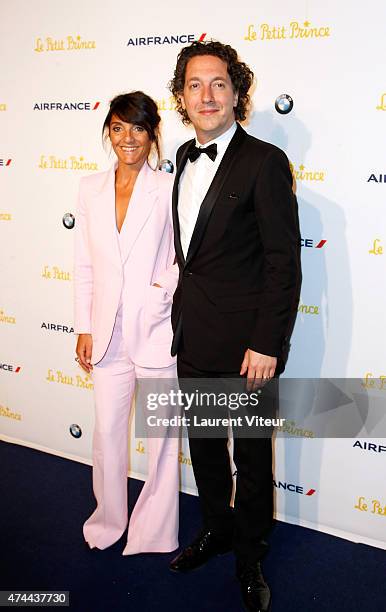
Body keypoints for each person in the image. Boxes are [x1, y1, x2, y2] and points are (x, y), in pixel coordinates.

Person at [168, 41, 301, 611]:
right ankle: (216, 529)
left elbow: (282, 262)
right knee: (204, 447)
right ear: (180, 96)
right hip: (194, 337)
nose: (207, 94)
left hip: (249, 350)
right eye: (195, 84)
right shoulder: (179, 155)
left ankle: (250, 553)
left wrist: (267, 342)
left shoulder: (265, 162)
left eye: (218, 83)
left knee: (249, 455)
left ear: (237, 92)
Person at [74, 91, 179, 555]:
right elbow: (84, 264)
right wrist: (83, 325)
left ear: (153, 134)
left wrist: (159, 295)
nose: (127, 138)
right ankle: (109, 519)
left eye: (137, 128)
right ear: (108, 133)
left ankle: (154, 531)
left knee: (160, 440)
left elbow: (185, 257)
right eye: (118, 128)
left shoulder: (169, 188)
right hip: (106, 333)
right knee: (108, 434)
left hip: (156, 329)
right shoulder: (89, 188)